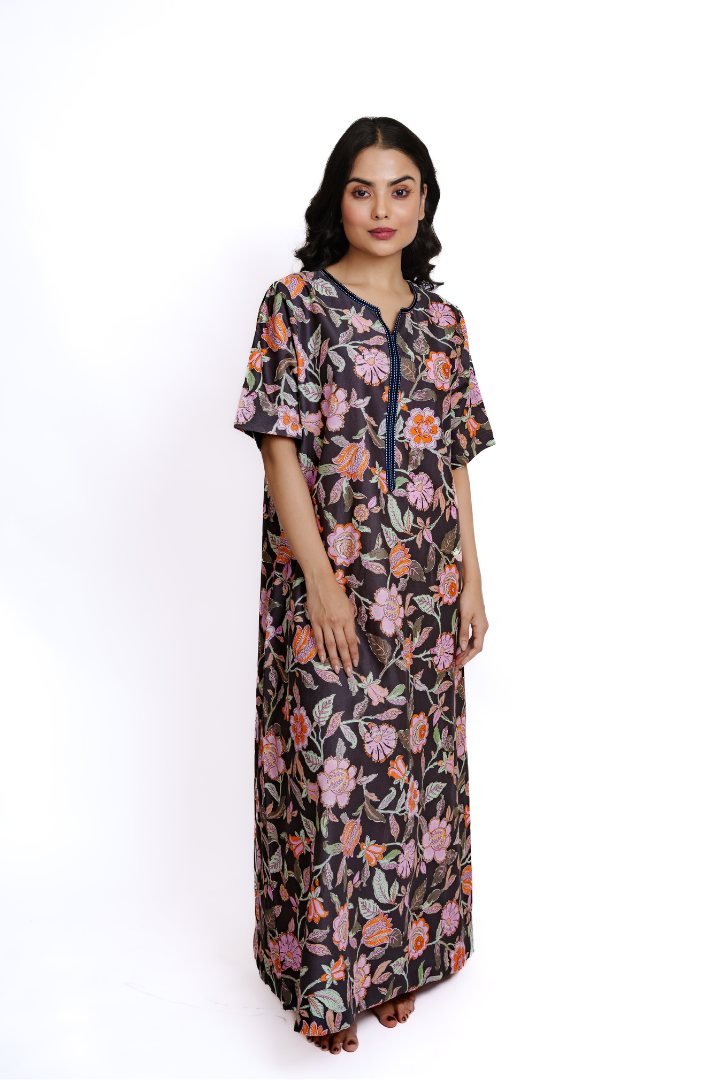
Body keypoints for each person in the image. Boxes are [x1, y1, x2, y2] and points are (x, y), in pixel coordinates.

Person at [233, 116, 495, 1054]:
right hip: (329, 584)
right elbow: (279, 448)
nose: (382, 208)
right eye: (362, 189)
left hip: (425, 588)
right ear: (335, 200)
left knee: (412, 778)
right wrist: (320, 581)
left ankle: (396, 963)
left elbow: (454, 460)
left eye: (401, 189)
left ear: (424, 203)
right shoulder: (295, 303)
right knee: (329, 778)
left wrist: (472, 580)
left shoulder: (443, 325)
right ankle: (324, 978)